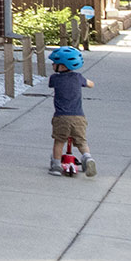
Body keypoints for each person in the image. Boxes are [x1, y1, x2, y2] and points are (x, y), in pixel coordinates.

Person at [47, 46, 95, 175]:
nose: (52, 65)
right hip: (79, 117)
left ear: (62, 67)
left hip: (61, 117)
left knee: (59, 141)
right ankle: (87, 157)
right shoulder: (78, 77)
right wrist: (88, 83)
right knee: (81, 141)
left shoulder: (54, 79)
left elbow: (51, 84)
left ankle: (56, 166)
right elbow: (90, 84)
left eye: (55, 63)